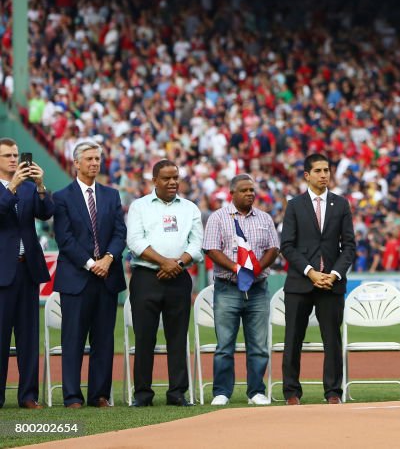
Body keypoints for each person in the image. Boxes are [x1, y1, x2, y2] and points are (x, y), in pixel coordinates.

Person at [52, 140, 126, 408]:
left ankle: (99, 395)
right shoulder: (61, 197)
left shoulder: (111, 195)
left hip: (107, 277)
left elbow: (120, 233)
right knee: (72, 340)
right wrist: (89, 263)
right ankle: (72, 396)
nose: (95, 163)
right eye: (90, 159)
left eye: (97, 159)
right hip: (77, 278)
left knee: (104, 341)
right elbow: (65, 238)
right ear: (76, 163)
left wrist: (107, 259)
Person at [279, 153, 355, 405]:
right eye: (319, 171)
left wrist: (333, 274)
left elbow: (349, 247)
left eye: (327, 170)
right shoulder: (295, 205)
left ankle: (333, 392)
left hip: (331, 284)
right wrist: (311, 272)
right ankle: (291, 392)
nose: (324, 175)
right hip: (300, 283)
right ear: (306, 175)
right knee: (293, 339)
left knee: (332, 339)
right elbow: (287, 246)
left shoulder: (341, 204)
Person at [125, 160, 202, 406]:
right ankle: (143, 394)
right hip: (146, 278)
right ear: (154, 180)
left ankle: (177, 393)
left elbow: (196, 245)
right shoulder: (140, 206)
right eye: (167, 178)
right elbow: (135, 242)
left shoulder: (190, 208)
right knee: (144, 337)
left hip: (179, 278)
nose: (172, 183)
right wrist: (164, 262)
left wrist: (177, 264)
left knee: (178, 338)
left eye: (175, 178)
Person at [202, 174, 280, 406]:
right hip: (228, 288)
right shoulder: (218, 217)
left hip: (257, 289)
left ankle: (255, 391)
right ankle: (222, 392)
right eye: (244, 190)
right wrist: (237, 268)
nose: (249, 194)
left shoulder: (265, 218)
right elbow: (211, 249)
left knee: (258, 345)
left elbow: (273, 248)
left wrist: (255, 269)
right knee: (225, 345)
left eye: (252, 190)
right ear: (232, 193)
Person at [0, 138, 54, 409]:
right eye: (7, 155)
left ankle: (28, 396)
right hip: (2, 273)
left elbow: (46, 213)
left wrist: (42, 185)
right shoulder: (12, 188)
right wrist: (11, 187)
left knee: (28, 338)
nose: (13, 159)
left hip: (28, 269)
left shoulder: (30, 188)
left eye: (16, 154)